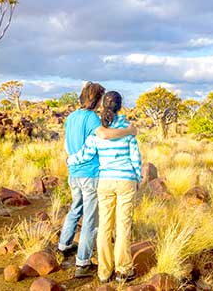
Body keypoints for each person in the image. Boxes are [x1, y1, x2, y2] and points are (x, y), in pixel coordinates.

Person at [59, 83, 137, 279]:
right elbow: (106, 137)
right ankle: (84, 263)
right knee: (95, 221)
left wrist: (70, 161)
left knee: (78, 210)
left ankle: (65, 246)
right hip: (93, 175)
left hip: (75, 173)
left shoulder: (71, 117)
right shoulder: (97, 121)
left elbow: (70, 146)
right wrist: (130, 132)